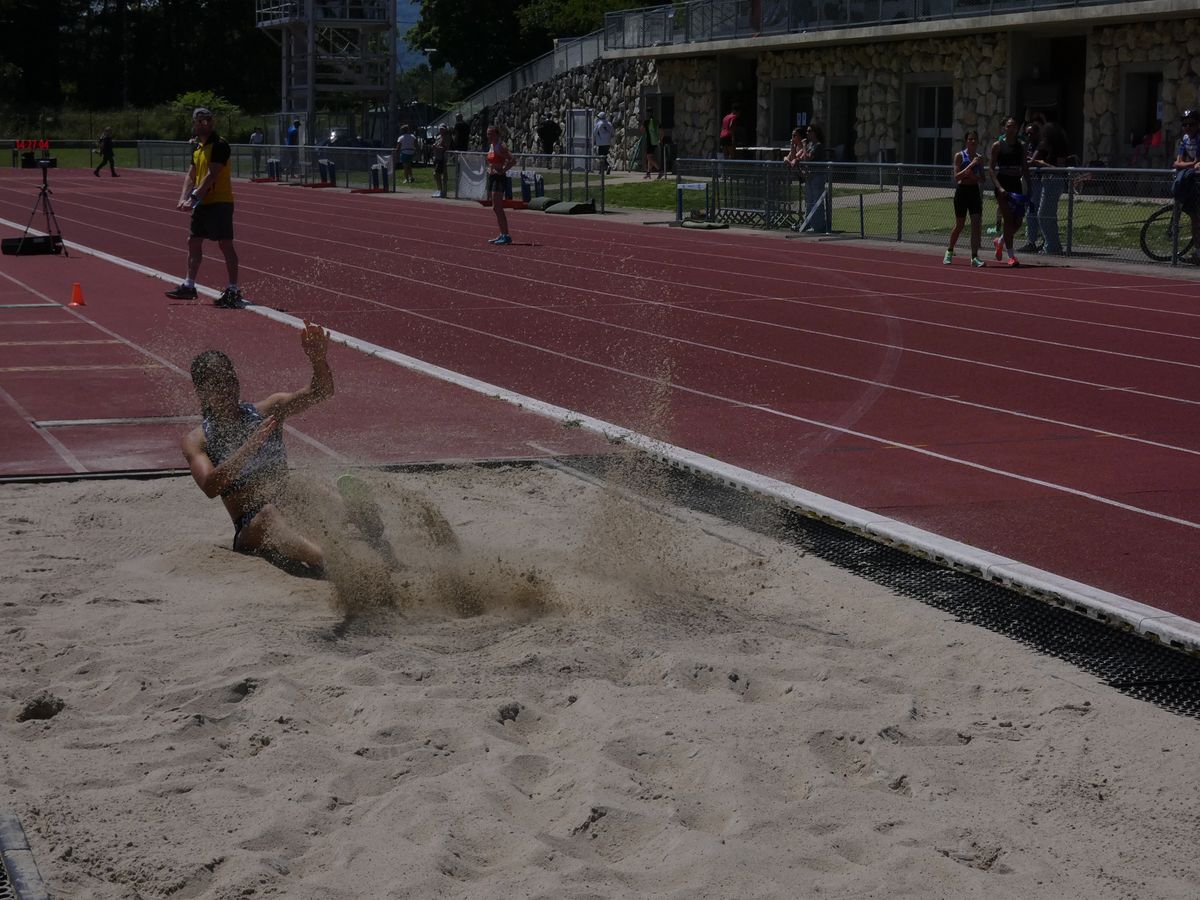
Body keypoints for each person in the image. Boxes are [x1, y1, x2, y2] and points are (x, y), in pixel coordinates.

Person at [182, 322, 398, 573]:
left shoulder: (267, 410)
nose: (227, 389)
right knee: (268, 514)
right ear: (202, 393)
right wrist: (249, 448)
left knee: (303, 486)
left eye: (230, 380)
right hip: (251, 526)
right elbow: (210, 487)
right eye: (217, 385)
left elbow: (320, 392)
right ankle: (336, 562)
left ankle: (362, 520)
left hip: (290, 507)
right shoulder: (198, 440)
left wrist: (318, 359)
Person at [165, 108, 243, 308]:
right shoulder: (198, 147)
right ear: (194, 123)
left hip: (220, 201)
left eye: (206, 120)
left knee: (225, 244)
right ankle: (189, 286)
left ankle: (233, 290)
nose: (203, 124)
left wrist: (193, 197)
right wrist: (183, 197)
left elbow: (212, 174)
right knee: (193, 241)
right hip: (202, 202)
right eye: (199, 121)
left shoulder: (220, 145)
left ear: (212, 122)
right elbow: (191, 174)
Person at [988, 116, 1031, 267]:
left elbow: (1024, 167)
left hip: (1016, 185)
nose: (1011, 129)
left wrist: (1029, 186)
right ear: (1004, 128)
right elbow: (991, 169)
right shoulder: (998, 145)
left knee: (1017, 221)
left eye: (1014, 126)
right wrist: (999, 187)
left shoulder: (1021, 146)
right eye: (1008, 126)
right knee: (1007, 218)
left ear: (1017, 128)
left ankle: (1000, 241)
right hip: (1002, 184)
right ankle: (1011, 256)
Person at [943, 130, 987, 268]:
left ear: (977, 141)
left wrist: (975, 177)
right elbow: (957, 177)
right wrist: (971, 165)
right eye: (970, 139)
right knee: (960, 225)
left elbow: (983, 179)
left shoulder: (979, 158)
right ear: (966, 141)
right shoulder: (960, 156)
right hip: (962, 192)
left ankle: (974, 257)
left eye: (975, 139)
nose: (972, 141)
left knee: (976, 223)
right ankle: (949, 251)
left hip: (974, 192)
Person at [1029, 118, 1071, 255]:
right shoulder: (1047, 148)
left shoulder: (1059, 148)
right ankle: (1052, 244)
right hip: (1046, 181)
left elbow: (1060, 169)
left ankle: (1052, 245)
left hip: (1054, 181)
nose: (1043, 137)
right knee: (1045, 214)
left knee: (1044, 214)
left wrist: (1042, 164)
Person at [1172, 110, 1200, 264]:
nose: (1187, 127)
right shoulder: (1184, 139)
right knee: (1195, 218)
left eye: (1191, 124)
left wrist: (1185, 165)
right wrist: (1190, 165)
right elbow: (1178, 162)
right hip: (1194, 181)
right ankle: (1198, 253)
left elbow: (1196, 162)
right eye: (1185, 125)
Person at [485, 125, 515, 245]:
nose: (489, 136)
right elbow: (491, 161)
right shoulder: (492, 146)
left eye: (491, 133)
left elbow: (512, 160)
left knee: (498, 207)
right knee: (495, 207)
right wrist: (489, 168)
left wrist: (503, 170)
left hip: (499, 177)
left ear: (497, 134)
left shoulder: (501, 146)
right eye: (488, 133)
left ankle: (506, 235)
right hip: (492, 177)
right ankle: (502, 233)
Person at [1019, 119, 1043, 251]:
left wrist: (1028, 160)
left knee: (1036, 212)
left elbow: (1031, 161)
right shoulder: (1027, 146)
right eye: (1027, 134)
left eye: (1031, 133)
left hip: (1039, 182)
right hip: (1029, 181)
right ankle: (1031, 242)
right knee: (1029, 212)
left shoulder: (1041, 145)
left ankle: (1043, 241)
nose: (1029, 136)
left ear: (1037, 133)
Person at [800, 122, 828, 232]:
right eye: (807, 131)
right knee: (809, 202)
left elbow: (808, 158)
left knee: (817, 202)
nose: (807, 133)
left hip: (817, 177)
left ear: (815, 133)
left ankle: (819, 226)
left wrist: (803, 145)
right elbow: (802, 158)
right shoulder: (810, 145)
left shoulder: (818, 146)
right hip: (809, 177)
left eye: (809, 131)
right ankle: (810, 224)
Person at [431, 123, 449, 198]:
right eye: (440, 129)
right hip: (437, 157)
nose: (441, 130)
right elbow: (436, 145)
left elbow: (446, 148)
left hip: (442, 158)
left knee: (436, 174)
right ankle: (439, 190)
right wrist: (434, 147)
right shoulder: (438, 137)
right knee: (436, 174)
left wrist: (437, 148)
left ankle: (441, 190)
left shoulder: (446, 137)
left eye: (443, 129)